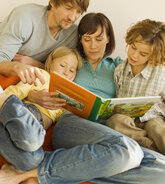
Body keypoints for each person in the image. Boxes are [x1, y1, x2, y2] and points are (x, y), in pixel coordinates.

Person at [1, 13, 165, 184]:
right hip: (71, 123)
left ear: (109, 39)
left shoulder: (120, 66)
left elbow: (147, 60)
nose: (93, 46)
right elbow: (51, 72)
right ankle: (38, 173)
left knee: (161, 169)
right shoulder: (74, 62)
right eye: (87, 39)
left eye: (99, 39)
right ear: (80, 40)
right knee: (128, 151)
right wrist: (33, 85)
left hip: (106, 130)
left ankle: (49, 171)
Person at [0, 46, 82, 172]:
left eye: (72, 70)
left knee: (32, 161)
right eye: (62, 65)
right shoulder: (42, 75)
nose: (66, 72)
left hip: (33, 131)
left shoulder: (68, 95)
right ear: (50, 63)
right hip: (27, 113)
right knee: (33, 139)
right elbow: (15, 92)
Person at [0, 0, 89, 86]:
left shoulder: (72, 34)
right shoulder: (25, 17)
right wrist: (18, 67)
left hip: (28, 82)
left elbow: (69, 70)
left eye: (78, 11)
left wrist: (35, 65)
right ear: (53, 1)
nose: (72, 17)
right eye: (68, 8)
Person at [106, 19, 165, 154]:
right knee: (114, 122)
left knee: (157, 129)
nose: (134, 55)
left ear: (154, 55)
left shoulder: (161, 73)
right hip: (128, 121)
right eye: (133, 47)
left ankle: (152, 144)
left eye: (143, 54)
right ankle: (149, 146)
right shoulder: (120, 70)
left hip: (152, 118)